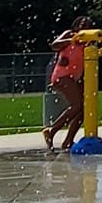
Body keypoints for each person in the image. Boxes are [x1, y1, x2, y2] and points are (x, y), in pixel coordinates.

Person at [43, 23, 87, 153]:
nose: (85, 27)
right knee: (77, 106)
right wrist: (71, 40)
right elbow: (54, 45)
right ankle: (51, 131)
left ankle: (68, 140)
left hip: (74, 77)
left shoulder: (87, 42)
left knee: (83, 111)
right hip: (62, 76)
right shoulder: (70, 34)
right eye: (82, 24)